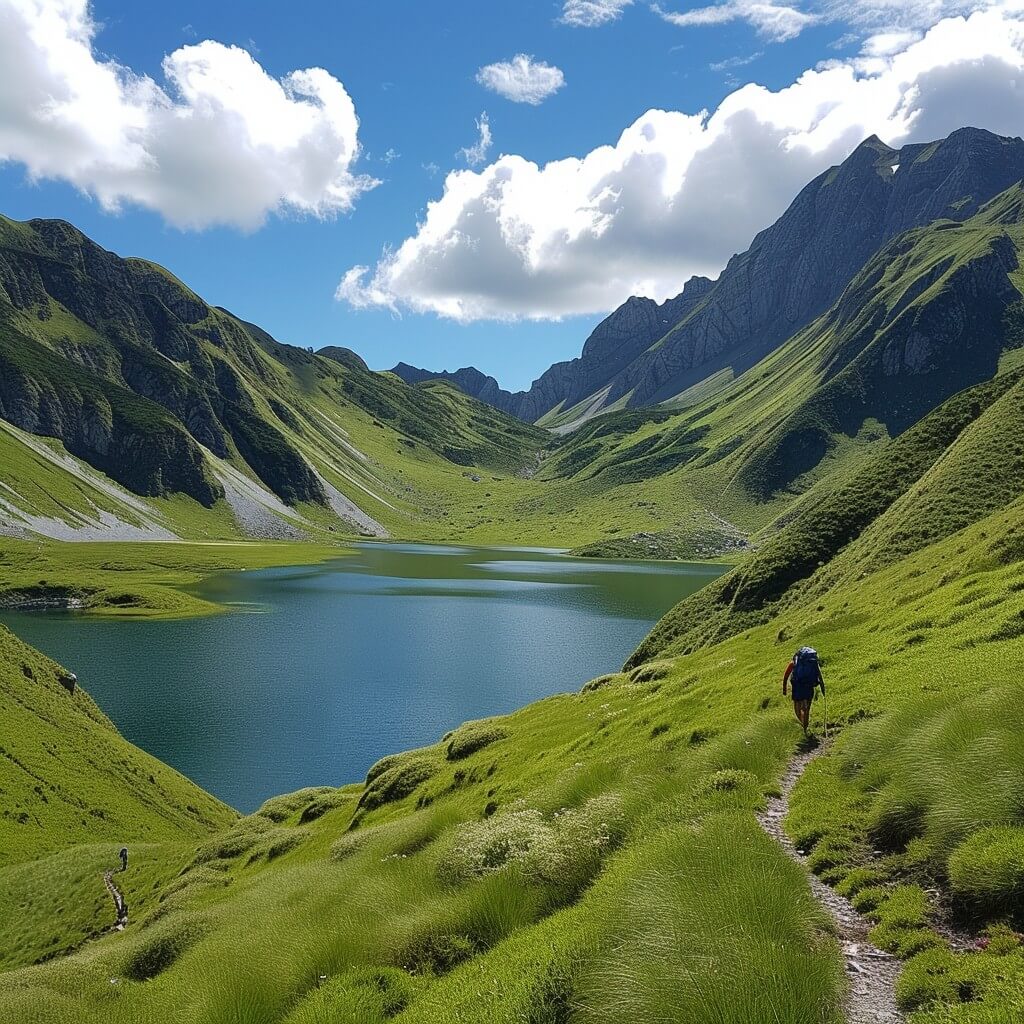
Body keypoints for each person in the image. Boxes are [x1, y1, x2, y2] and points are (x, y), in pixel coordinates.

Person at [783, 647, 825, 734]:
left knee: (797, 709)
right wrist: (823, 689)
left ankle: (802, 726)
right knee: (807, 709)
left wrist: (784, 689)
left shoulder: (794, 663)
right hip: (809, 687)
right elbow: (820, 677)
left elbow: (786, 675)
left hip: (797, 688)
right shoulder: (813, 664)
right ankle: (805, 728)